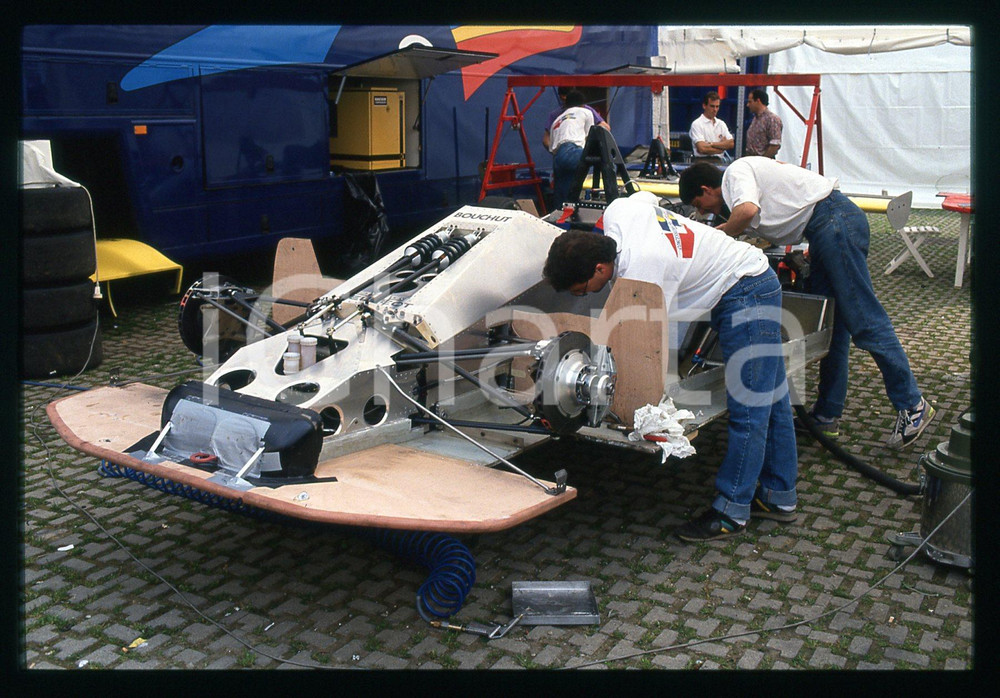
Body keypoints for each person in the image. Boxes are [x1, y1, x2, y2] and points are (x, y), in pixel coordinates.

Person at [543, 191, 799, 542]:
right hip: (742, 275)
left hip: (746, 290)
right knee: (772, 396)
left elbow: (647, 346)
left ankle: (732, 512)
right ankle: (779, 496)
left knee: (750, 406)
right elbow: (647, 197)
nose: (585, 295)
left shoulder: (644, 274)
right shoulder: (620, 211)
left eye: (583, 289)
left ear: (600, 268)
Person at [678, 158, 935, 447]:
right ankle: (826, 417)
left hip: (834, 223)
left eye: (700, 205)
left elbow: (748, 211)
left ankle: (912, 404)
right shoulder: (740, 182)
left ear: (705, 189)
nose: (705, 212)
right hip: (825, 230)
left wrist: (715, 235)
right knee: (834, 331)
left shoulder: (735, 174)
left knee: (864, 319)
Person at [543, 90, 610, 208]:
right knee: (608, 161)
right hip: (573, 150)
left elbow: (548, 143)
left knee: (562, 196)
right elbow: (592, 134)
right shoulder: (586, 111)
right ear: (583, 104)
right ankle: (611, 196)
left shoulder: (557, 119)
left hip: (558, 157)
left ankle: (561, 219)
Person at [689, 91, 734, 160]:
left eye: (717, 107)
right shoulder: (697, 124)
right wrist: (721, 149)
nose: (715, 110)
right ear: (704, 106)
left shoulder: (721, 124)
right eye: (712, 106)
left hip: (718, 161)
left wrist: (712, 144)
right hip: (701, 161)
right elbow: (702, 148)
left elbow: (731, 143)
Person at [745, 88, 782, 159]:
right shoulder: (756, 119)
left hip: (764, 162)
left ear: (758, 101)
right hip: (752, 159)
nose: (748, 105)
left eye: (750, 102)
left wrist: (762, 161)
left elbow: (775, 145)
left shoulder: (772, 119)